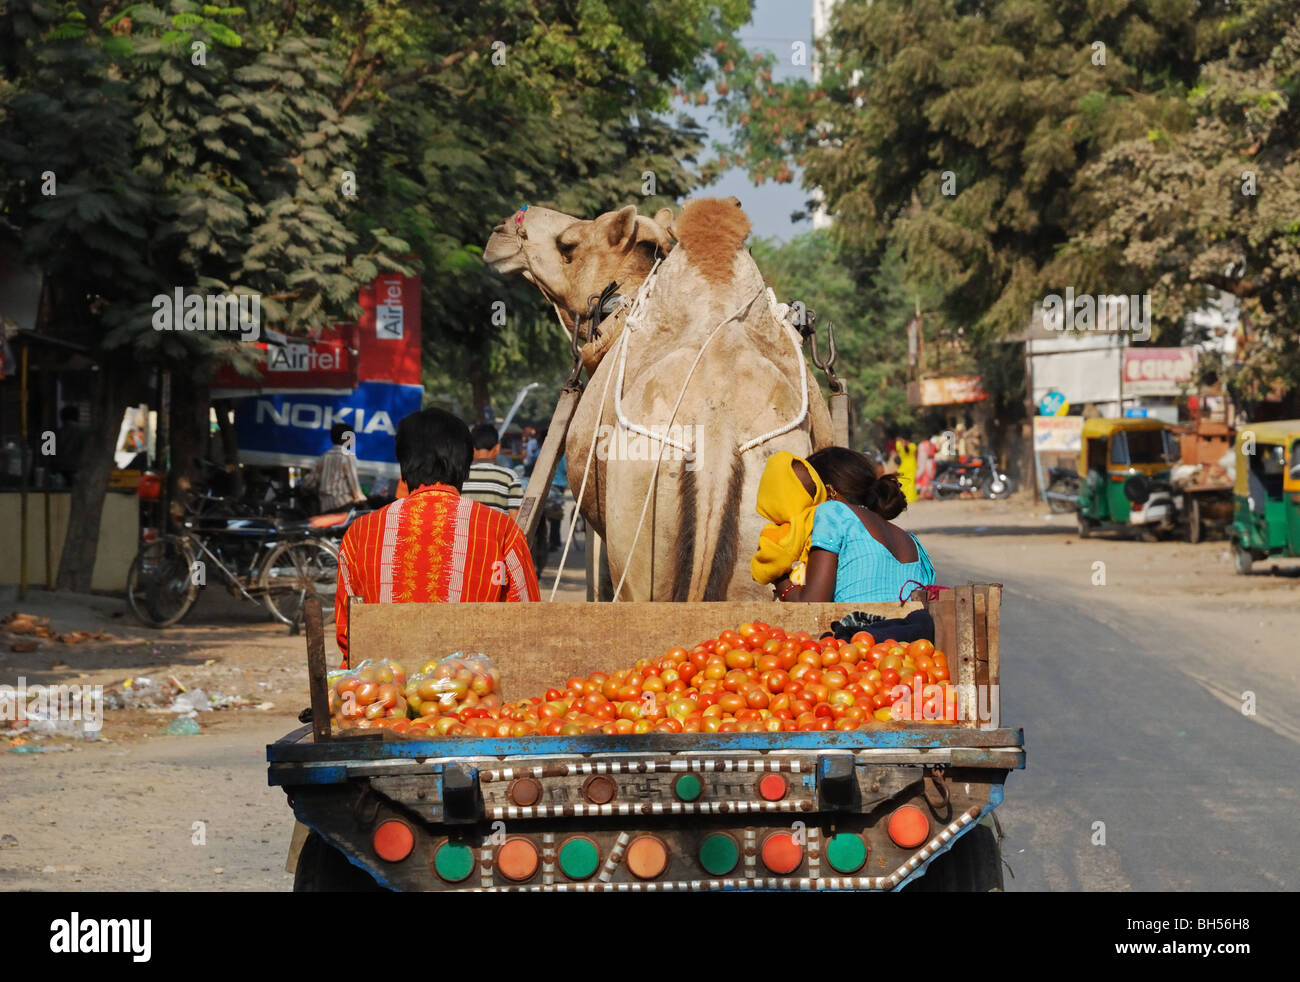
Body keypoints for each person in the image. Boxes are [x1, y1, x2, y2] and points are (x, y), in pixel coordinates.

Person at [334, 408, 540, 664]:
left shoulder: (360, 532)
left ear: (404, 464)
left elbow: (346, 633)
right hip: (474, 693)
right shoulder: (501, 528)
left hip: (382, 693)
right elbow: (527, 621)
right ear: (465, 465)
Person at [771, 447, 935, 604]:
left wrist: (777, 574)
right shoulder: (912, 542)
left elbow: (812, 603)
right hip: (910, 631)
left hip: (858, 632)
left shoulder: (832, 511)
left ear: (829, 493)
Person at [750, 450, 827, 590]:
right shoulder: (824, 514)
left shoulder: (784, 532)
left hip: (802, 592)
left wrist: (760, 561)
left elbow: (763, 571)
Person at [462, 423, 524, 519]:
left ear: (470, 447)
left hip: (464, 533)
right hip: (497, 533)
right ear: (497, 448)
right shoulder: (509, 477)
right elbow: (515, 517)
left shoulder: (459, 475)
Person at [302, 423, 366, 512]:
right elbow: (353, 482)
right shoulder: (348, 456)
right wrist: (360, 499)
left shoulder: (324, 457)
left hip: (325, 506)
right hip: (343, 504)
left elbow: (309, 483)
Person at [53, 406, 87, 486]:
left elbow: (47, 456)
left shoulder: (55, 433)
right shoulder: (84, 431)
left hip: (59, 472)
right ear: (77, 417)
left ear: (62, 418)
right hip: (78, 471)